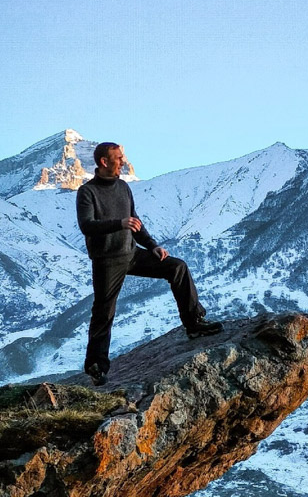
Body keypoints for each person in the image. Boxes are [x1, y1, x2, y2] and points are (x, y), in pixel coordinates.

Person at [76, 142, 223, 385]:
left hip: (132, 254)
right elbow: (87, 226)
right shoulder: (87, 192)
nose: (123, 162)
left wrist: (152, 245)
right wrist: (118, 223)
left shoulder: (123, 187)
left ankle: (194, 323)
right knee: (104, 311)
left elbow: (135, 223)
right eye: (118, 158)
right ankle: (96, 365)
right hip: (107, 261)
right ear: (104, 161)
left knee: (177, 267)